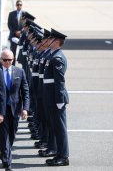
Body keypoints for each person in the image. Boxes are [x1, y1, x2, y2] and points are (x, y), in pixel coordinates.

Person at [0, 49, 30, 170]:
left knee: (11, 134)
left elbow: (25, 91)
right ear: (1, 60)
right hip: (0, 109)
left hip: (15, 109)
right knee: (3, 135)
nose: (7, 62)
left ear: (13, 60)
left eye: (9, 60)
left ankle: (4, 152)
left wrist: (25, 109)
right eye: (4, 60)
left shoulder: (20, 71)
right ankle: (7, 162)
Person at [43, 28, 69, 166]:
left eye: (51, 39)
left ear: (57, 42)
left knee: (60, 128)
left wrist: (59, 100)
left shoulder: (57, 57)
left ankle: (63, 157)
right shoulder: (53, 55)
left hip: (56, 98)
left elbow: (59, 81)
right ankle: (59, 154)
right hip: (51, 96)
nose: (48, 41)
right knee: (55, 127)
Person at [8, 0, 24, 65]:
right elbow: (9, 25)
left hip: (22, 36)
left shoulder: (24, 14)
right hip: (13, 36)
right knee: (13, 52)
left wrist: (21, 32)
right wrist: (15, 32)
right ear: (16, 5)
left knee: (22, 52)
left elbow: (26, 25)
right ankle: (12, 65)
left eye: (20, 5)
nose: (19, 6)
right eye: (18, 5)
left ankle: (22, 65)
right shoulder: (11, 14)